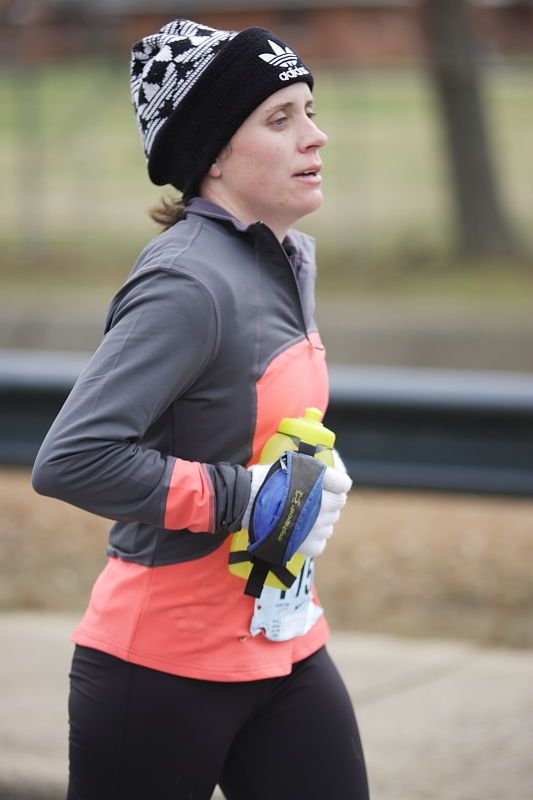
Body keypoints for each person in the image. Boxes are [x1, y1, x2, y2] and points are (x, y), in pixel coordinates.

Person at [32, 18, 370, 800]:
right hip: (160, 668)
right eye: (279, 120)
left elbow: (242, 412)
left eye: (309, 112)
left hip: (283, 644)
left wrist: (310, 472)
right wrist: (243, 496)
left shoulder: (285, 256)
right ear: (213, 152)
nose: (314, 138)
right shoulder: (187, 282)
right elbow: (73, 459)